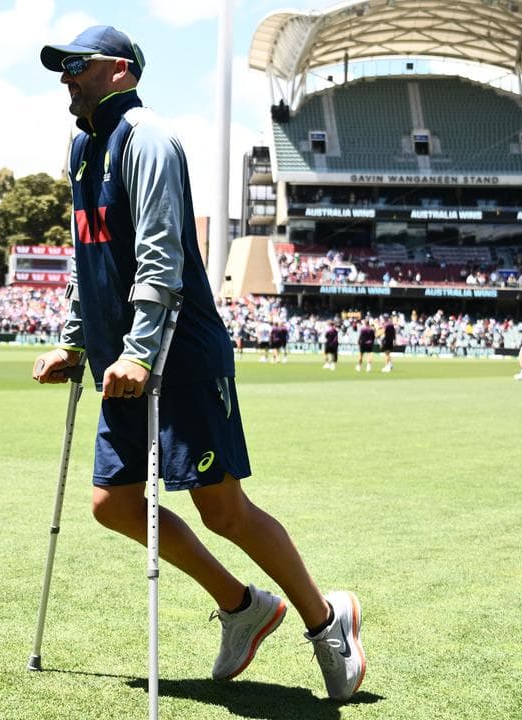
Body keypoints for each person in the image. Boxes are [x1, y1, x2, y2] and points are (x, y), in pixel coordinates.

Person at [30, 25, 365, 700]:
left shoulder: (147, 138)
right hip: (123, 360)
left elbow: (161, 256)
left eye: (78, 67)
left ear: (120, 70)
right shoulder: (81, 147)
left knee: (223, 511)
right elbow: (89, 259)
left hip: (173, 356)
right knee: (113, 504)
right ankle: (245, 607)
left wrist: (137, 350)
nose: (66, 78)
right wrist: (72, 341)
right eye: (61, 68)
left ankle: (328, 621)